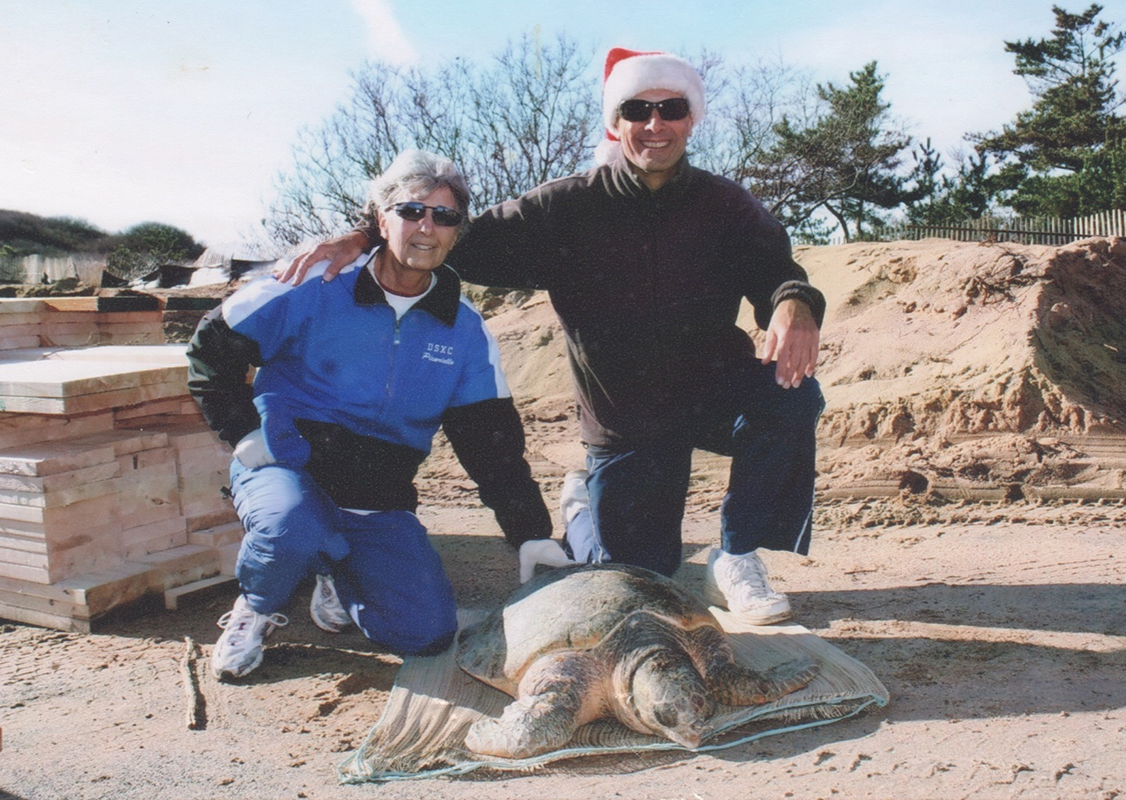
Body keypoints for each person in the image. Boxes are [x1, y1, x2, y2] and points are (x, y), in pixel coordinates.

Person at [281, 49, 826, 627]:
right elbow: (448, 237)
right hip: (627, 421)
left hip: (713, 393)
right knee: (637, 587)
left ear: (692, 119)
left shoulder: (725, 205)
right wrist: (366, 236)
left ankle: (736, 557)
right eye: (637, 109)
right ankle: (585, 507)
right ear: (615, 124)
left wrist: (794, 302)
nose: (654, 123)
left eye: (671, 108)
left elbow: (776, 269)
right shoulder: (564, 207)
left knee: (791, 394)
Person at [187, 149, 551, 679]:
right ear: (381, 219)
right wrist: (243, 434)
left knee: (424, 632)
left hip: (375, 497)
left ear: (457, 232)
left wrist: (532, 532)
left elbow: (491, 446)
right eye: (410, 212)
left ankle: (337, 570)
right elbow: (209, 349)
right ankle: (258, 606)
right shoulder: (316, 281)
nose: (427, 228)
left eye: (444, 217)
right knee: (292, 526)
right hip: (285, 468)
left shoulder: (466, 331)